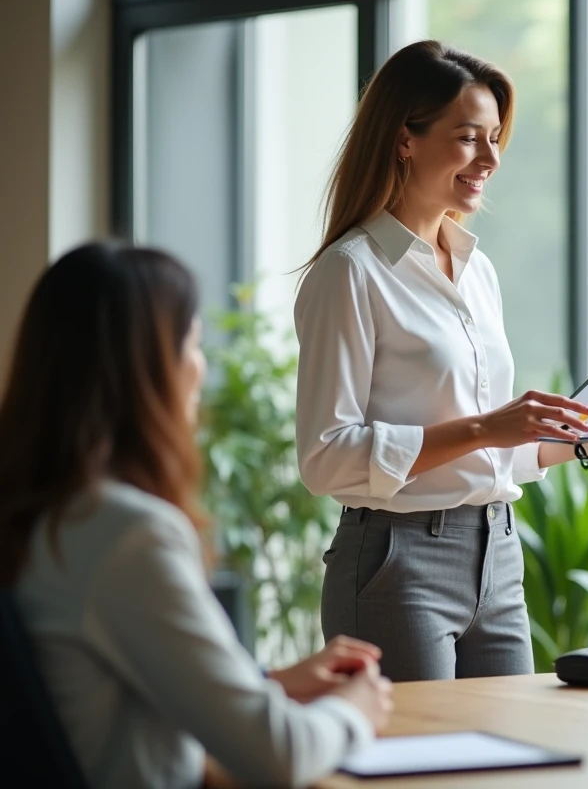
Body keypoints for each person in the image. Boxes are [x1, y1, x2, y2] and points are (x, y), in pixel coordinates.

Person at [294, 40, 588, 682]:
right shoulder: (349, 272)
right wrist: (488, 427)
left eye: (495, 138)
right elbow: (326, 457)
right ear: (405, 139)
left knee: (505, 763)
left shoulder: (475, 268)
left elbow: (488, 452)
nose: (490, 158)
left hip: (498, 552)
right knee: (425, 776)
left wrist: (579, 441)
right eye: (468, 138)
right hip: (396, 561)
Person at [0, 243, 393, 789]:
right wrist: (355, 710)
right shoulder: (128, 534)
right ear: (147, 371)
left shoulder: (41, 514)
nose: (199, 367)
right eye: (192, 343)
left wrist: (265, 682)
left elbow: (102, 687)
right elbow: (278, 754)